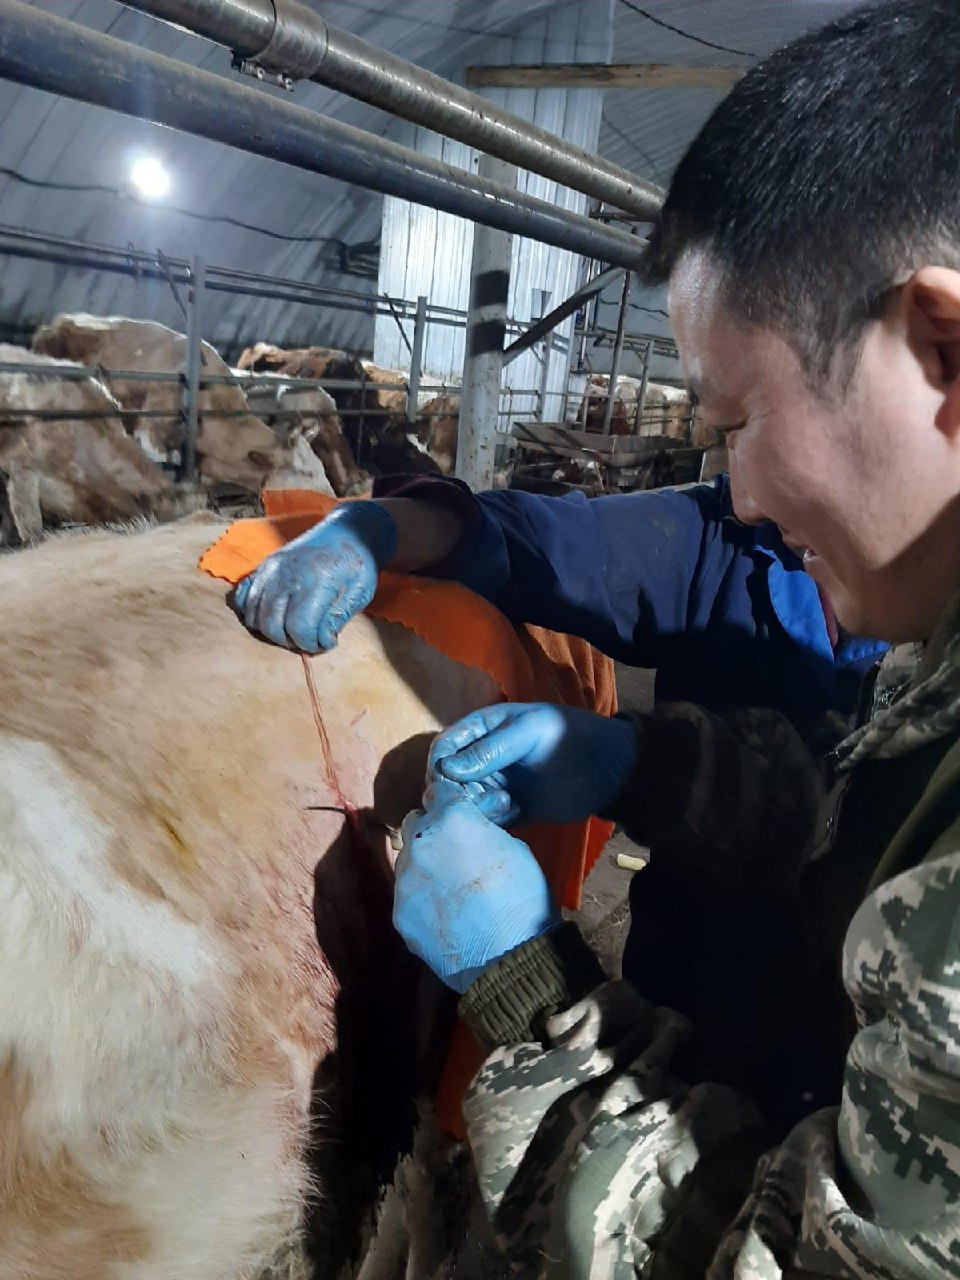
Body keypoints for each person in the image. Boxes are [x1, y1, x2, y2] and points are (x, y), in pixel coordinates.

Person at [388, 0, 960, 1273]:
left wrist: (529, 994)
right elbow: (894, 804)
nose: (737, 495)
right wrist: (642, 763)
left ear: (942, 348)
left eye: (739, 420)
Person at [233, 476, 884, 1101]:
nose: (745, 490)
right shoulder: (735, 541)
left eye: (754, 420)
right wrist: (641, 762)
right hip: (688, 992)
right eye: (729, 434)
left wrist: (523, 980)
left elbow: (710, 1177)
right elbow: (530, 538)